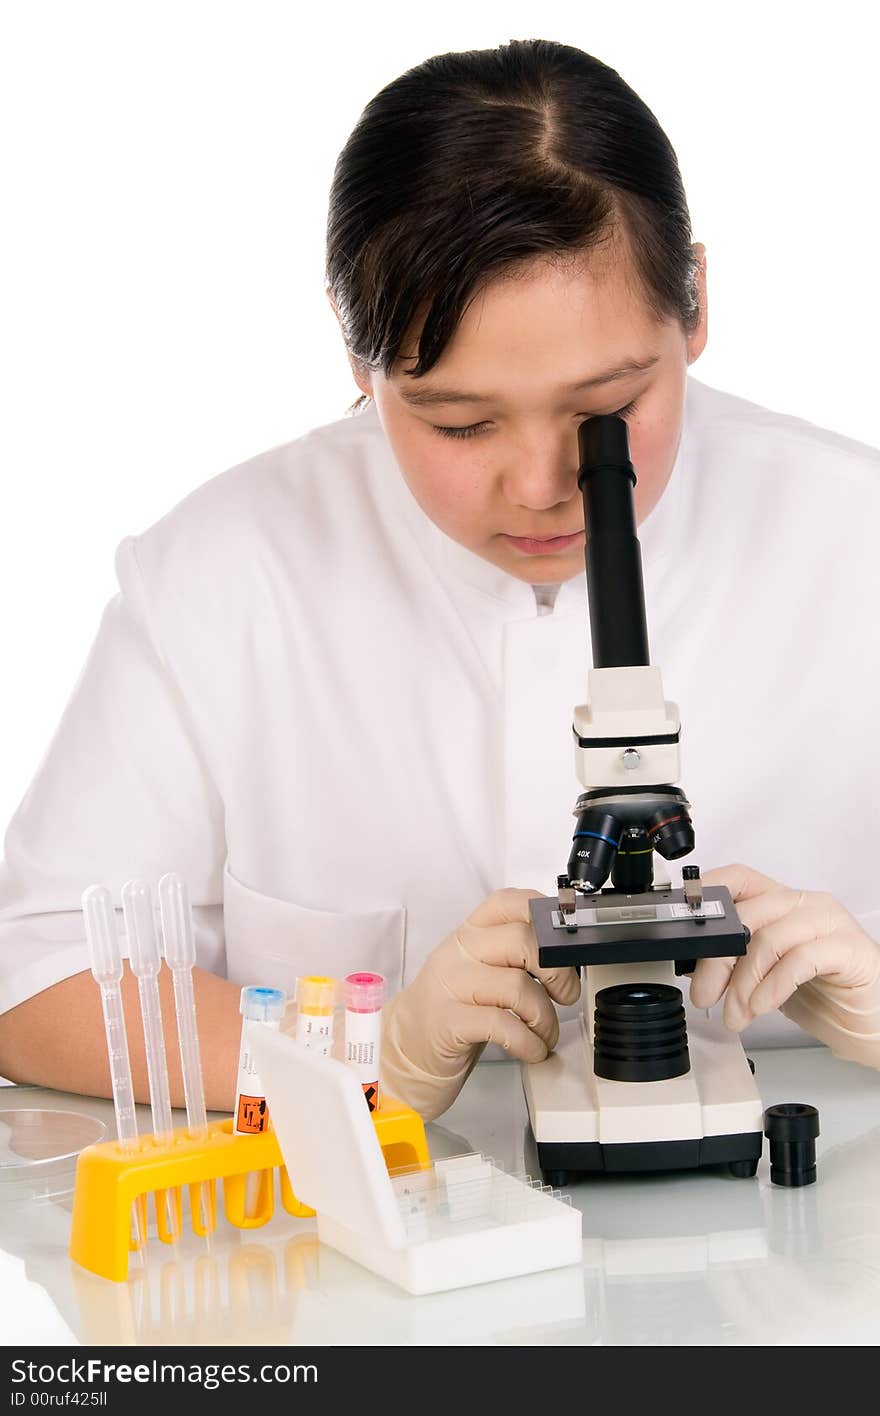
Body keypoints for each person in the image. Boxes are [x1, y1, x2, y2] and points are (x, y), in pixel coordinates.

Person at [0, 40, 878, 1122]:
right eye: (459, 422)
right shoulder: (223, 572)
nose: (544, 486)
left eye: (603, 408)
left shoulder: (855, 536)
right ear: (357, 356)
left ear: (691, 305)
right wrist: (354, 1062)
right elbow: (34, 982)